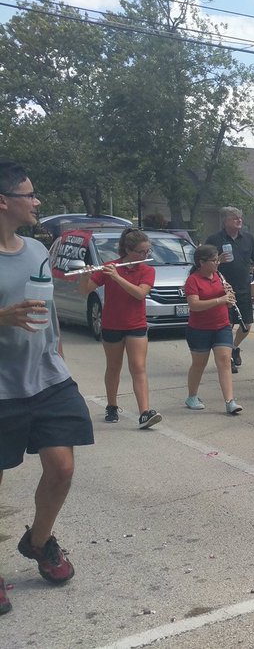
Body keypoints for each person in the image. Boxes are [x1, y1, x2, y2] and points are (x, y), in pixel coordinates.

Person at [0, 162, 94, 614]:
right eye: (29, 194)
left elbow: (47, 308)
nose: (37, 202)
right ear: (3, 200)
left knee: (62, 468)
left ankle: (38, 543)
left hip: (47, 378)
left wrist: (56, 351)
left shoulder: (37, 247)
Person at [78, 227, 162, 429]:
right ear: (127, 250)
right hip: (112, 324)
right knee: (114, 367)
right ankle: (112, 406)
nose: (144, 256)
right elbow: (84, 291)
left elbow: (140, 294)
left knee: (138, 367)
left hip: (136, 324)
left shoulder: (147, 270)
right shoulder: (110, 267)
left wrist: (117, 277)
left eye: (147, 252)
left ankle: (144, 412)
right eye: (140, 252)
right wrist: (85, 275)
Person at [204, 207, 254, 374]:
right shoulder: (214, 239)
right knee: (227, 326)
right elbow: (204, 264)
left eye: (240, 218)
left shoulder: (248, 238)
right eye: (234, 218)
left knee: (246, 325)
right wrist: (218, 261)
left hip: (244, 287)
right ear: (225, 221)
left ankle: (234, 347)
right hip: (222, 288)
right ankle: (227, 358)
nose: (239, 220)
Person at [184, 245, 242, 415]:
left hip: (222, 325)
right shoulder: (193, 280)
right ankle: (192, 396)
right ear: (201, 262)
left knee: (224, 361)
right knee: (199, 364)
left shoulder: (219, 276)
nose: (218, 263)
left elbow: (228, 300)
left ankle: (230, 401)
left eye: (218, 260)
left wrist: (230, 299)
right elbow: (194, 305)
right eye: (214, 260)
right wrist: (219, 300)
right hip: (199, 329)